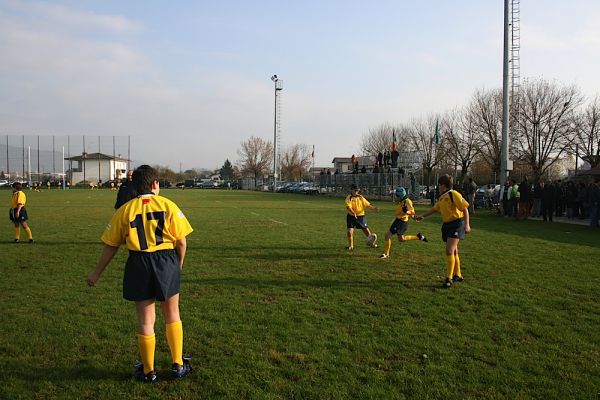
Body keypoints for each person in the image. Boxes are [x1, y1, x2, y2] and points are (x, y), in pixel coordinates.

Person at [86, 165, 194, 383]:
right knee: (172, 313)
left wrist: (96, 273)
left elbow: (111, 245)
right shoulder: (168, 205)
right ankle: (178, 365)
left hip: (138, 262)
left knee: (146, 320)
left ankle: (148, 370)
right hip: (166, 261)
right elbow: (181, 242)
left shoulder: (125, 210)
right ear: (155, 184)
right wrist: (177, 266)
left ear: (134, 186)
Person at [416, 174, 471, 288]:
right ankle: (458, 275)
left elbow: (464, 208)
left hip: (457, 224)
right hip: (447, 225)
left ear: (443, 185)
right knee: (454, 251)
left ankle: (449, 278)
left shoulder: (453, 194)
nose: (438, 187)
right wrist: (423, 216)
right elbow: (435, 209)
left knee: (449, 250)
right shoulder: (442, 197)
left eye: (439, 185)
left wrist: (467, 225)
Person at [380, 186, 427, 259]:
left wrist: (407, 212)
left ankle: (386, 254)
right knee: (401, 239)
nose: (396, 197)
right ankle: (418, 237)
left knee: (387, 235)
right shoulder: (402, 201)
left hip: (401, 222)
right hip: (398, 221)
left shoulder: (407, 201)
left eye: (397, 195)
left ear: (401, 195)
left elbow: (411, 211)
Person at [344, 184, 379, 251]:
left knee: (367, 231)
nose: (357, 192)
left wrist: (374, 208)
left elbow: (367, 205)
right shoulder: (349, 198)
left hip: (360, 217)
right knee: (349, 232)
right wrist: (353, 213)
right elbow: (348, 207)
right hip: (351, 217)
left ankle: (372, 244)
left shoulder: (360, 197)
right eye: (355, 190)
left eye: (357, 190)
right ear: (351, 190)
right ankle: (351, 246)